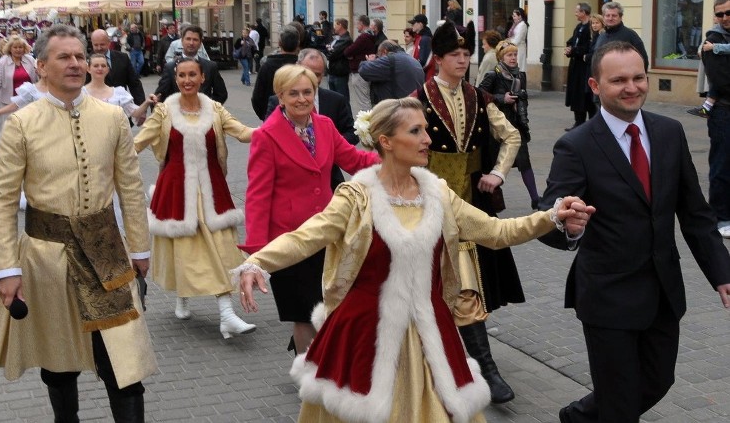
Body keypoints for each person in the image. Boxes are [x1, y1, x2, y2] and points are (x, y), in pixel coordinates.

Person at [235, 97, 592, 423]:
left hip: (430, 332)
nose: (426, 139)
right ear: (386, 142)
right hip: (363, 336)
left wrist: (552, 216)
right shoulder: (356, 197)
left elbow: (496, 233)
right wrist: (258, 262)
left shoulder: (437, 193)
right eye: (416, 130)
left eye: (425, 129)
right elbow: (305, 237)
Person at [0, 24, 157, 422]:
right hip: (46, 257)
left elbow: (131, 187)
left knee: (124, 364)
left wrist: (140, 248)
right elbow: (1, 201)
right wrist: (7, 270)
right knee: (59, 364)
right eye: (64, 57)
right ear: (41, 66)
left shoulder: (111, 118)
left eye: (79, 56)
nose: (75, 64)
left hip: (107, 252)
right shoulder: (22, 123)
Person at [539, 40, 730, 423]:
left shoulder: (669, 133)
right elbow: (550, 212)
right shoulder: (576, 145)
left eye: (639, 77)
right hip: (607, 297)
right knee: (620, 404)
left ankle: (579, 417)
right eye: (619, 80)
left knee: (657, 381)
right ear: (595, 86)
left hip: (662, 292)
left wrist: (722, 273)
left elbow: (694, 213)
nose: (632, 87)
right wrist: (565, 222)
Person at [413, 20, 524, 404]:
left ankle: (484, 368)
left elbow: (511, 135)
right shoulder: (418, 99)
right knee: (428, 282)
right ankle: (448, 356)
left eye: (466, 54)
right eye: (454, 55)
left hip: (469, 204)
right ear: (438, 58)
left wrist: (496, 173)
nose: (462, 61)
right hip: (428, 202)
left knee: (467, 279)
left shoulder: (479, 97)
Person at [241, 64, 380, 354]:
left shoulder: (325, 126)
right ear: (280, 96)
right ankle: (308, 372)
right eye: (294, 93)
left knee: (330, 304)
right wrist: (258, 251)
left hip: (329, 234)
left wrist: (390, 163)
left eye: (308, 92)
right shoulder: (266, 136)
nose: (302, 99)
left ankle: (329, 364)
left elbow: (353, 160)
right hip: (290, 239)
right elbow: (257, 195)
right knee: (304, 314)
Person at [134, 56, 255, 338]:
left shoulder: (215, 109)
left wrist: (278, 130)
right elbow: (138, 142)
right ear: (176, 79)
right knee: (184, 251)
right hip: (177, 191)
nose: (187, 80)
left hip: (213, 191)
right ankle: (183, 297)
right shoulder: (164, 112)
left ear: (202, 78)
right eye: (182, 76)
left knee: (221, 249)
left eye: (192, 75)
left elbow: (242, 132)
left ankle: (226, 314)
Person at [266, 48, 358, 190]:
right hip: (292, 185)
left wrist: (327, 147)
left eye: (317, 75)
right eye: (306, 71)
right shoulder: (275, 105)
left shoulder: (336, 101)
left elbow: (352, 137)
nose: (311, 78)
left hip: (330, 182)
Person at [479, 40, 540, 210]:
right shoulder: (493, 75)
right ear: (501, 57)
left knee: (524, 161)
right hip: (497, 127)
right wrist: (501, 98)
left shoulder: (520, 75)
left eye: (515, 54)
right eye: (509, 55)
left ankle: (535, 198)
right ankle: (490, 200)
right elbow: (480, 95)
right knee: (493, 164)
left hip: (516, 124)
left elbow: (524, 98)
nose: (513, 58)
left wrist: (521, 105)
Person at [698, 0, 730, 237]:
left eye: (728, 13)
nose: (725, 18)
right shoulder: (712, 41)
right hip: (724, 112)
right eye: (720, 14)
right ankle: (720, 218)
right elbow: (721, 80)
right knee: (721, 166)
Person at [154, 25, 226, 104]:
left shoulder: (210, 66)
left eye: (195, 40)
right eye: (188, 39)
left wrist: (207, 107)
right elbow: (159, 95)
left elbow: (221, 94)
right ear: (182, 41)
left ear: (200, 43)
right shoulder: (170, 67)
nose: (191, 43)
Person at [89, 29, 147, 123]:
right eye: (96, 45)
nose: (99, 48)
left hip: (122, 113)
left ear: (108, 42)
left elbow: (134, 84)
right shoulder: (87, 62)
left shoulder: (122, 58)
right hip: (97, 115)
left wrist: (141, 108)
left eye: (102, 44)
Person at [85, 53, 157, 124]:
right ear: (88, 69)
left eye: (103, 66)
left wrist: (147, 102)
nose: (100, 68)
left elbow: (135, 113)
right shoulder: (81, 93)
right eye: (96, 66)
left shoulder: (118, 93)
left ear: (107, 69)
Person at [250, 26, 300, 119]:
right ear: (298, 44)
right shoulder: (302, 66)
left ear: (279, 43)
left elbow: (257, 97)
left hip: (272, 117)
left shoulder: (267, 66)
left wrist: (266, 116)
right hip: (299, 118)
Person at [359, 40, 425, 104]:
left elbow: (364, 70)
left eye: (379, 56)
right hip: (414, 106)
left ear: (384, 52)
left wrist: (370, 62)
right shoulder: (413, 60)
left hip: (396, 108)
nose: (378, 60)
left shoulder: (390, 60)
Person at [564, 3, 595, 130]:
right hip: (575, 65)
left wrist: (574, 50)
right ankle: (578, 121)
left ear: (583, 12)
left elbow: (588, 47)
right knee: (576, 93)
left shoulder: (590, 27)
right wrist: (569, 48)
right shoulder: (578, 27)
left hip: (585, 66)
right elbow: (572, 41)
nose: (575, 13)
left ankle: (591, 123)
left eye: (577, 11)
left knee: (585, 94)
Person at [0, 36, 37, 108]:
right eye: (15, 47)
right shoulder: (2, 62)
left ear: (24, 48)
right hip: (8, 102)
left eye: (20, 47)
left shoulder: (30, 60)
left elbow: (38, 75)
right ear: (10, 49)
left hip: (28, 101)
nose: (18, 50)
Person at [593, 1, 649, 69]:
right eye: (607, 15)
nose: (610, 18)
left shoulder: (630, 35)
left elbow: (643, 60)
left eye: (614, 15)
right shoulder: (601, 36)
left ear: (621, 17)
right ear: (603, 17)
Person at [346, 15, 378, 115]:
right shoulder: (372, 36)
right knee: (365, 99)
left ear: (361, 24)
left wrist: (353, 57)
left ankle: (367, 125)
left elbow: (348, 51)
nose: (356, 26)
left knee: (363, 101)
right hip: (365, 70)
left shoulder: (363, 37)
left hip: (359, 72)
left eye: (357, 24)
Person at [325, 18, 353, 103]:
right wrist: (329, 50)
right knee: (334, 100)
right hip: (333, 71)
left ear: (340, 25)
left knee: (342, 99)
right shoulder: (337, 39)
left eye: (336, 25)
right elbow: (329, 49)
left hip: (339, 73)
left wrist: (329, 50)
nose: (334, 27)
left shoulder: (346, 40)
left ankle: (347, 116)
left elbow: (332, 54)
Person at [507, 8, 529, 72]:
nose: (513, 18)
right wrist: (509, 39)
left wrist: (508, 42)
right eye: (513, 16)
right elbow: (514, 37)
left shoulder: (522, 25)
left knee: (519, 68)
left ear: (520, 16)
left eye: (514, 16)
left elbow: (517, 40)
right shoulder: (517, 25)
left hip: (519, 49)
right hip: (515, 49)